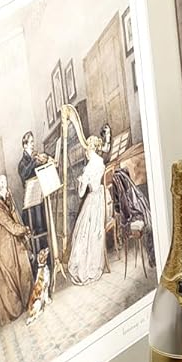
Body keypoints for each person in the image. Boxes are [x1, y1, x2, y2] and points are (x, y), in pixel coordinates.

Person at [63, 105, 109, 285]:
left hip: (93, 200)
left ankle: (87, 267)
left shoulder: (89, 167)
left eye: (86, 149)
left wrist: (81, 181)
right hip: (102, 198)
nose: (85, 152)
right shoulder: (101, 162)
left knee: (82, 233)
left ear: (88, 149)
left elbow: (82, 193)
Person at [0, 173, 33, 322]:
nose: (8, 190)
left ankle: (27, 298)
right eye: (6, 187)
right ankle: (22, 303)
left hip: (7, 245)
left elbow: (12, 219)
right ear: (0, 189)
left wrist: (10, 202)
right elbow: (11, 227)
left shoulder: (1, 203)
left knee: (22, 257)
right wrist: (25, 229)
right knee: (20, 265)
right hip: (3, 251)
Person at [18, 131, 51, 259]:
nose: (33, 144)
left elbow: (40, 169)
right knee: (38, 228)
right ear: (25, 145)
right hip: (31, 206)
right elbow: (25, 173)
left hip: (39, 199)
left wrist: (46, 160)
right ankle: (40, 260)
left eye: (33, 142)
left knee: (44, 227)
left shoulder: (33, 158)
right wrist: (34, 160)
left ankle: (47, 258)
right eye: (31, 142)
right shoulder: (22, 163)